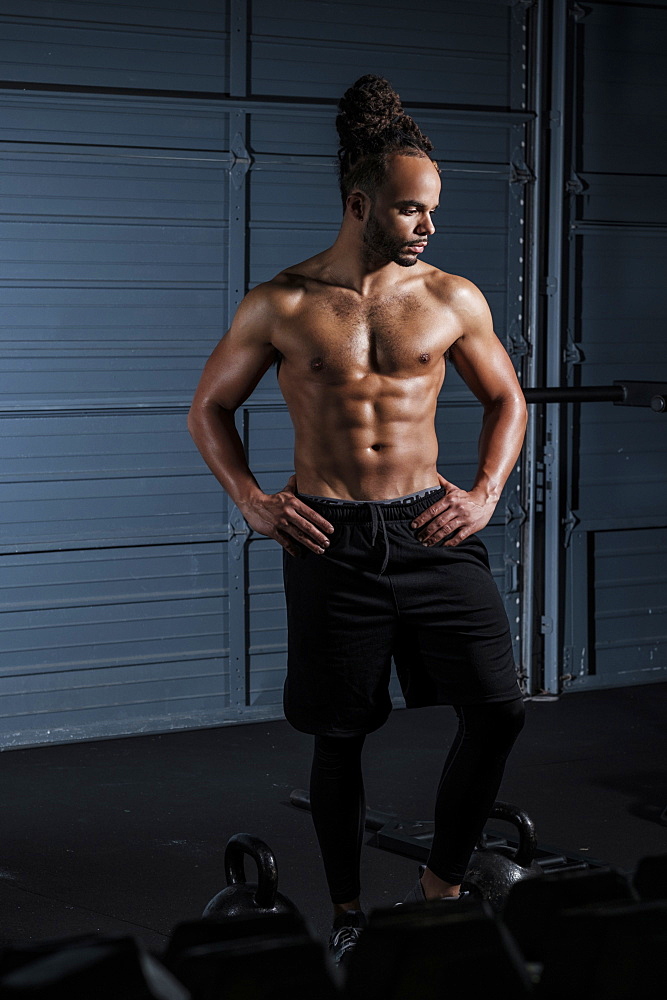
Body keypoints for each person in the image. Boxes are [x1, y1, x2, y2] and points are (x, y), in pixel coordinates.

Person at [187, 74, 528, 965]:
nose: (429, 227)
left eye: (433, 212)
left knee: (497, 710)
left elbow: (509, 399)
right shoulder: (284, 304)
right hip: (331, 539)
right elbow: (207, 410)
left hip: (429, 529)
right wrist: (255, 504)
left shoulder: (452, 298)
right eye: (413, 211)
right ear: (359, 203)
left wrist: (486, 491)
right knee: (341, 735)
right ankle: (347, 914)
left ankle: (440, 890)